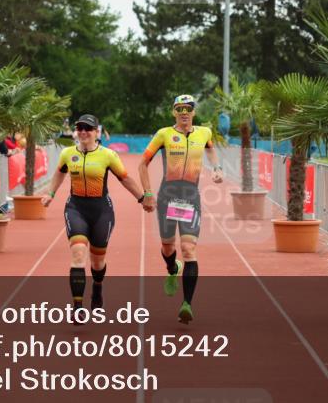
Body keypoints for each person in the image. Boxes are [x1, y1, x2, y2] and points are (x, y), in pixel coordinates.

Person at [42, 114, 148, 317]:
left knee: (97, 263)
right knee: (78, 253)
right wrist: (50, 193)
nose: (83, 132)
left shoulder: (107, 155)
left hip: (101, 211)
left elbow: (125, 179)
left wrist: (143, 199)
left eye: (88, 128)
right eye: (80, 128)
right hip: (75, 209)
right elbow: (59, 173)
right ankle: (77, 308)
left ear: (96, 132)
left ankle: (97, 288)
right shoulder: (67, 153)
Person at [138, 95, 223, 324]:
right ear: (174, 112)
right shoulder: (164, 134)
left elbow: (211, 149)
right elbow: (142, 163)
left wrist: (217, 167)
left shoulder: (204, 132)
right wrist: (147, 193)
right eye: (180, 108)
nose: (184, 112)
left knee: (188, 248)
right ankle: (171, 267)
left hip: (189, 197)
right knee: (168, 246)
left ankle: (187, 304)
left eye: (188, 108)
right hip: (167, 196)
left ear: (194, 112)